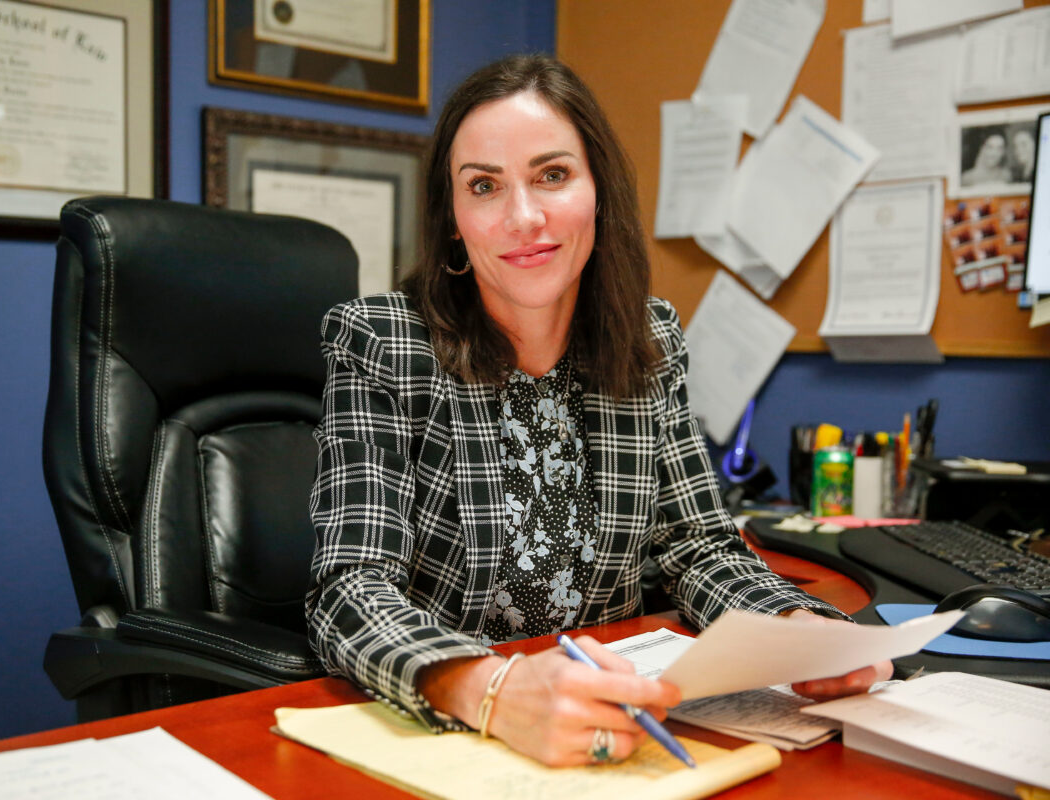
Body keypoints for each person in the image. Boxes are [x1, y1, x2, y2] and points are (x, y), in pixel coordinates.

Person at [307, 53, 891, 768]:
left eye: (552, 175)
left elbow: (697, 546)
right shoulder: (383, 341)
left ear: (598, 192)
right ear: (454, 220)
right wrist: (493, 688)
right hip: (454, 734)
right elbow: (350, 588)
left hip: (615, 733)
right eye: (484, 186)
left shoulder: (647, 341)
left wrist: (800, 631)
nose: (523, 217)